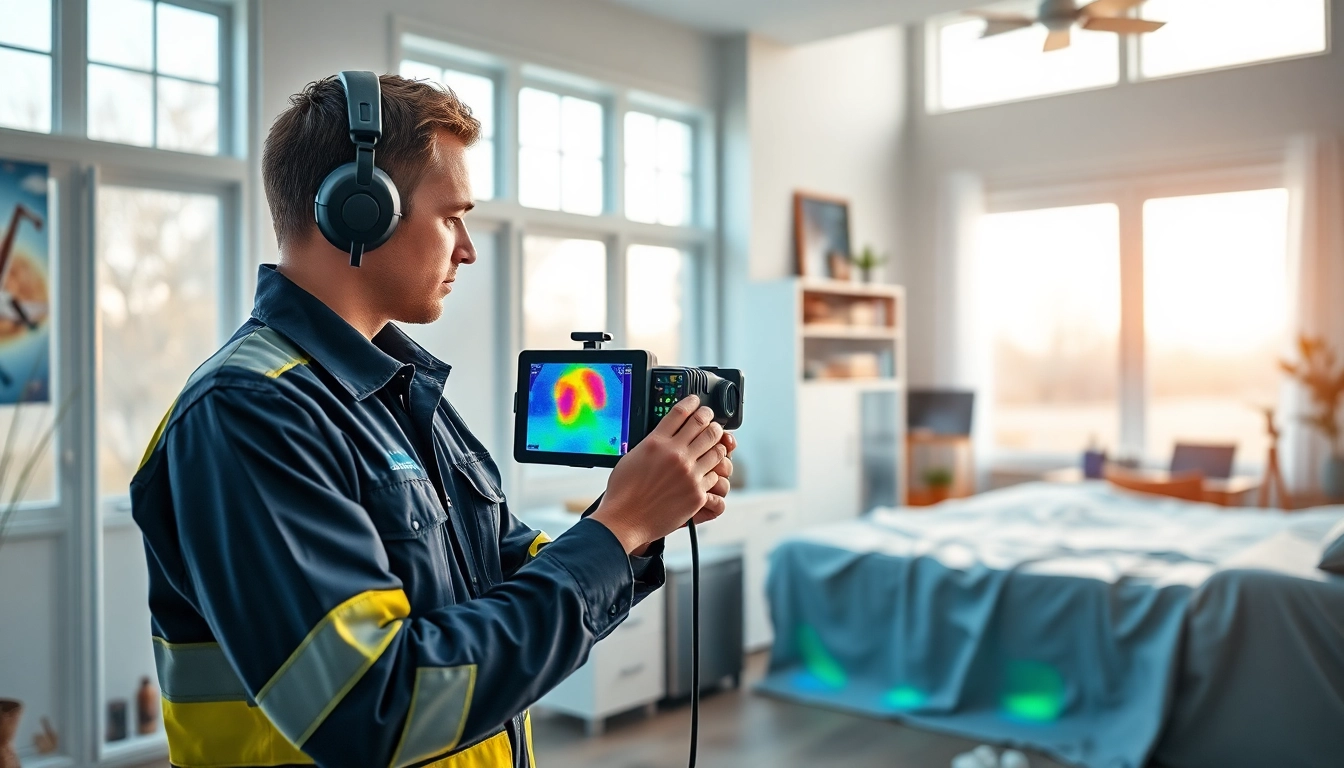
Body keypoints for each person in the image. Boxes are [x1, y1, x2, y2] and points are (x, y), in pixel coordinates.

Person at [131, 73, 734, 768]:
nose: (468, 248)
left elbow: (502, 578)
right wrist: (617, 527)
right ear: (359, 211)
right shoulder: (248, 415)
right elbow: (372, 706)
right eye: (451, 217)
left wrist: (639, 518)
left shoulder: (403, 394)